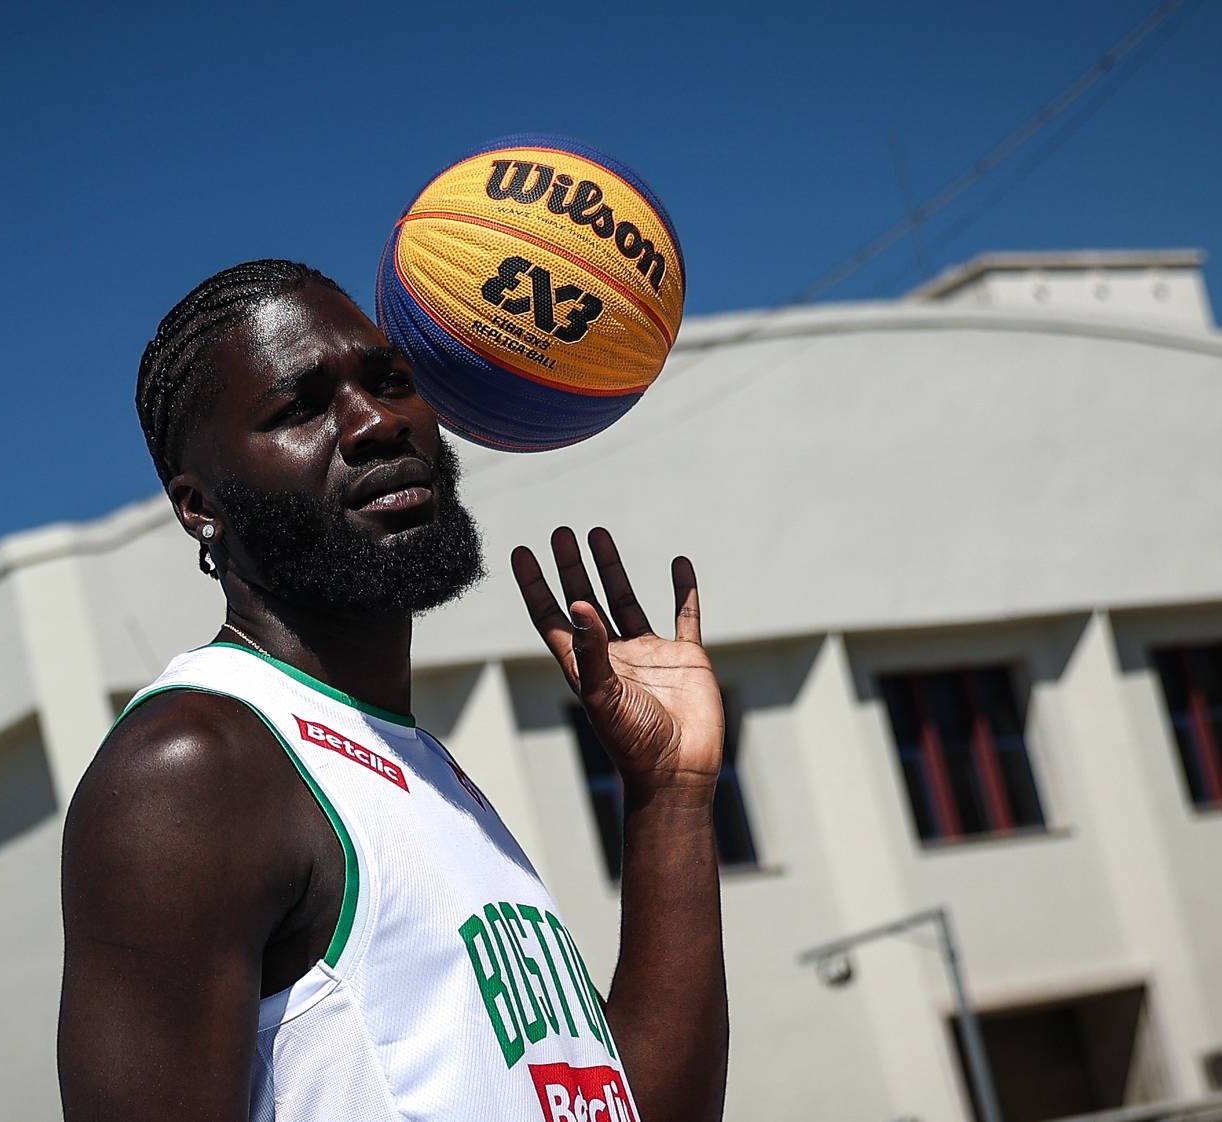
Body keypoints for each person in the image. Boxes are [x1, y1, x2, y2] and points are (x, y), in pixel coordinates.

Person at [58, 259, 728, 1120]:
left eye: (391, 380)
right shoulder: (194, 769)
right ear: (199, 506)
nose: (376, 421)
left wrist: (669, 798)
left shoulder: (420, 773)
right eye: (298, 409)